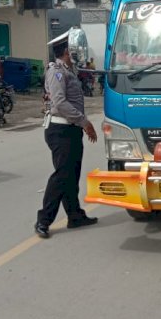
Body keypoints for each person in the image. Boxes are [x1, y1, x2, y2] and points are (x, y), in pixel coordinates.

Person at [35, 30, 99, 239]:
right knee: (61, 176)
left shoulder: (69, 70)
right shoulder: (57, 72)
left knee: (72, 175)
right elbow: (60, 103)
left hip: (71, 130)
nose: (79, 52)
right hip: (60, 130)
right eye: (74, 48)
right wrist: (84, 122)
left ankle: (75, 215)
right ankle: (43, 220)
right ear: (65, 51)